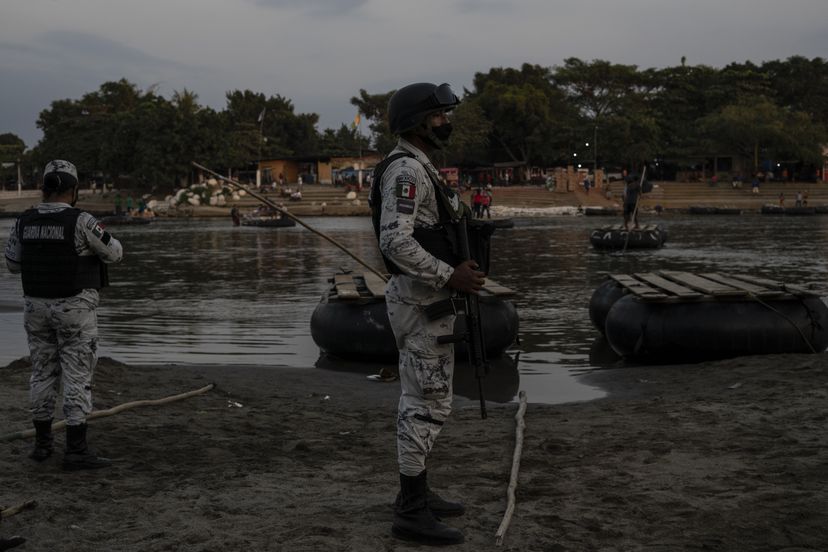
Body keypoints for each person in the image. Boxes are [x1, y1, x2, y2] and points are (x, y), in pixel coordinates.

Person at [369, 82, 483, 545]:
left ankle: (417, 493)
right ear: (417, 122)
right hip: (421, 300)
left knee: (425, 398)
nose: (445, 123)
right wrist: (447, 274)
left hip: (424, 298)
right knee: (426, 402)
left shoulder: (420, 167)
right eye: (438, 117)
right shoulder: (406, 172)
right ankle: (411, 510)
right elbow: (394, 241)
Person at [4, 160, 123, 471]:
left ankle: (42, 446)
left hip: (36, 309)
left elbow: (12, 264)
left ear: (44, 188)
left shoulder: (23, 221)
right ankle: (76, 450)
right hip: (75, 309)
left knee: (42, 373)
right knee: (77, 375)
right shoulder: (82, 221)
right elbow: (115, 253)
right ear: (73, 190)